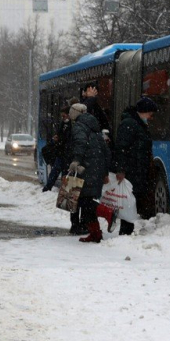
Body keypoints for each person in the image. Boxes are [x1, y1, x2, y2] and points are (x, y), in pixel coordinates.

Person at [68, 103, 117, 243]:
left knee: (85, 202)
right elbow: (105, 150)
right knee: (86, 201)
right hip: (97, 168)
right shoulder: (94, 126)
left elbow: (80, 143)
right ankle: (95, 234)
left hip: (86, 168)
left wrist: (76, 161)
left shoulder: (79, 126)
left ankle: (108, 213)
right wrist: (104, 171)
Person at [112, 96, 159, 235]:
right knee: (128, 201)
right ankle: (125, 231)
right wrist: (121, 169)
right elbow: (121, 148)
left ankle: (127, 229)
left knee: (131, 201)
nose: (151, 117)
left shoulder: (137, 124)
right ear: (143, 111)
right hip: (131, 171)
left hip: (136, 170)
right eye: (150, 114)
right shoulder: (130, 124)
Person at [42, 106, 72, 192]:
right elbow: (60, 135)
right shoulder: (63, 124)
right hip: (60, 153)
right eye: (62, 116)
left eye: (64, 116)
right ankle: (47, 189)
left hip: (66, 155)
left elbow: (68, 139)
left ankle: (63, 193)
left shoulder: (72, 125)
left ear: (69, 115)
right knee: (54, 173)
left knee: (64, 175)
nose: (63, 118)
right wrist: (57, 138)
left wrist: (60, 139)